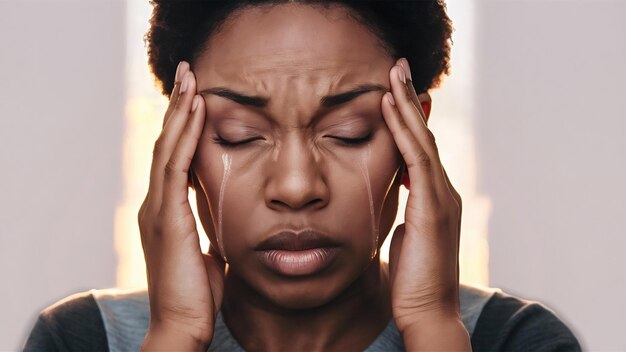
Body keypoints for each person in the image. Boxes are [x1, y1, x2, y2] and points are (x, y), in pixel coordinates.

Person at [24, 1, 582, 351]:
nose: (296, 186)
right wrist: (175, 335)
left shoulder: (515, 341)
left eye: (350, 130)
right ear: (180, 143)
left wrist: (432, 326)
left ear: (416, 139)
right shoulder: (82, 340)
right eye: (240, 133)